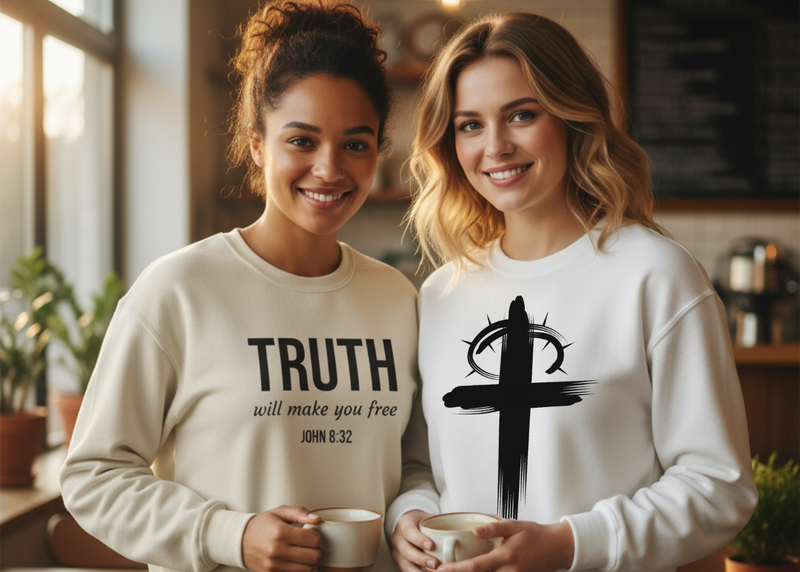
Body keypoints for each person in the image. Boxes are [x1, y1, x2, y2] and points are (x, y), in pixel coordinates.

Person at [59, 2, 434, 571]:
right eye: (302, 141)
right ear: (258, 143)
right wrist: (226, 534)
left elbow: (414, 467)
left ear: (377, 150)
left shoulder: (397, 299)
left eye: (355, 144)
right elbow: (93, 476)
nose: (330, 168)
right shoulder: (179, 291)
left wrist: (413, 517)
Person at [387, 11, 757, 572]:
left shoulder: (654, 274)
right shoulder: (442, 294)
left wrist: (569, 544)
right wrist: (409, 517)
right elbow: (419, 466)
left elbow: (718, 486)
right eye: (470, 125)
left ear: (571, 117)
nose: (496, 147)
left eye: (522, 115)